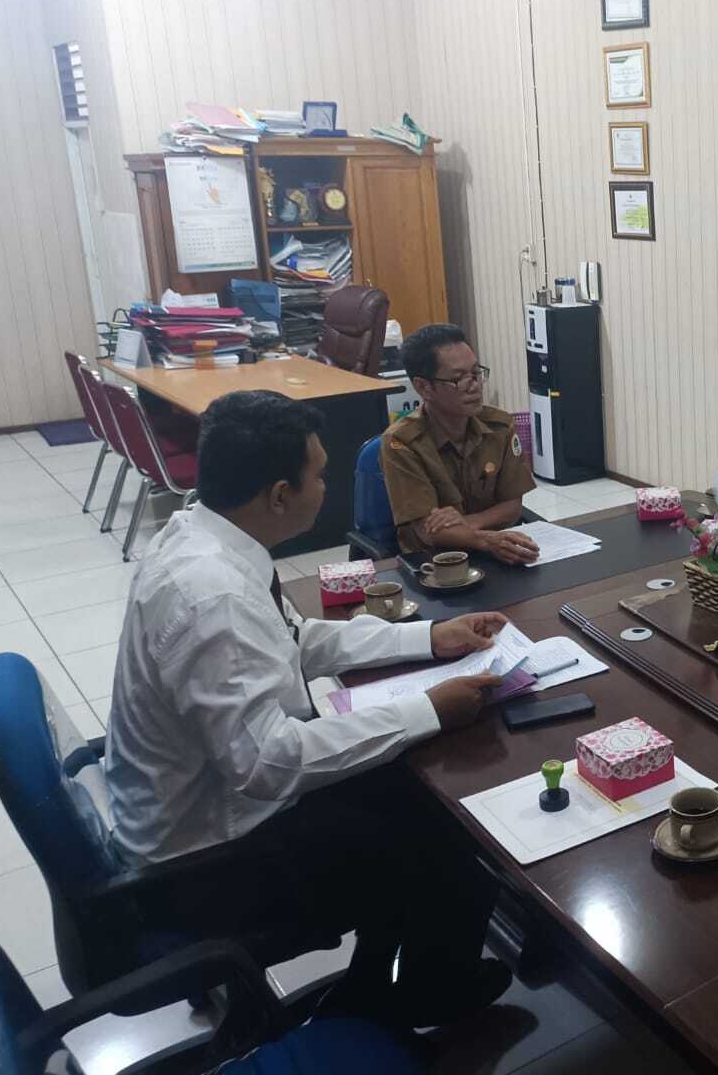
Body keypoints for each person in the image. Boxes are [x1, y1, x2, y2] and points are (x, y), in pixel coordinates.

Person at [104, 390, 515, 1026]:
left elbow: (292, 639)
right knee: (446, 833)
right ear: (278, 495)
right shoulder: (213, 596)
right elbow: (268, 764)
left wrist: (430, 638)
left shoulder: (201, 536)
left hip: (207, 808)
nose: (328, 487)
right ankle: (432, 991)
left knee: (412, 789)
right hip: (204, 863)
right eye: (319, 475)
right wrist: (428, 708)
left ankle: (380, 977)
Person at [381, 323, 539, 562]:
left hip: (499, 551)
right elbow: (428, 532)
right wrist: (485, 539)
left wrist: (466, 524)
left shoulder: (500, 426)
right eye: (457, 379)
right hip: (435, 562)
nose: (474, 385)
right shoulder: (402, 442)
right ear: (423, 387)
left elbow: (512, 506)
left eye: (475, 373)